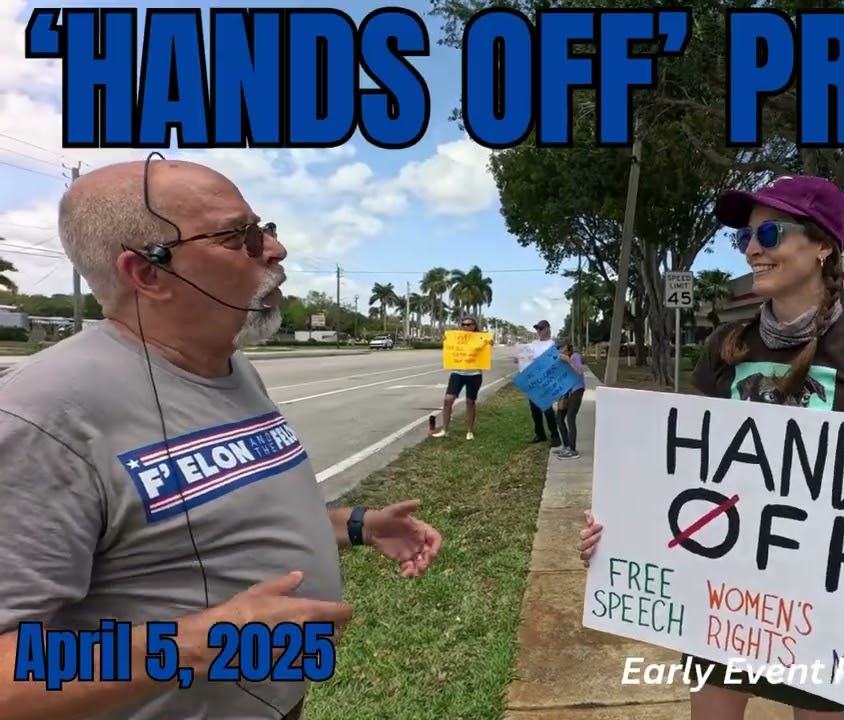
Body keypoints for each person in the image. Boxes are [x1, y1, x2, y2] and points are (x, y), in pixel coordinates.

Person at [0, 157, 444, 720]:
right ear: (148, 273)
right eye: (239, 237)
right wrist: (203, 643)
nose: (275, 249)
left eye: (265, 228)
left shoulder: (231, 366)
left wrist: (356, 524)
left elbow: (215, 516)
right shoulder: (45, 415)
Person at [577, 175, 844, 719]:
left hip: (832, 612)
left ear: (823, 245)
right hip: (725, 601)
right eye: (746, 238)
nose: (752, 249)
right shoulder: (723, 346)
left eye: (770, 233)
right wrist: (619, 533)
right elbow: (685, 474)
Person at [433, 316, 492, 440]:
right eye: (463, 324)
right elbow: (448, 349)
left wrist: (489, 343)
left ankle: (469, 431)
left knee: (470, 402)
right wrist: (446, 341)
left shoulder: (481, 338)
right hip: (457, 373)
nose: (465, 327)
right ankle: (445, 430)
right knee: (448, 400)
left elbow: (485, 350)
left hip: (474, 375)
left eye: (468, 324)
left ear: (474, 326)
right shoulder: (456, 338)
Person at [518, 319, 561, 447]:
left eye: (540, 328)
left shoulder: (553, 345)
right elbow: (525, 358)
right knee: (534, 409)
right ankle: (540, 434)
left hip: (546, 381)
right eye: (537, 329)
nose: (538, 331)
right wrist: (519, 359)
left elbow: (555, 362)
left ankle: (555, 436)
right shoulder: (533, 344)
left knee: (547, 409)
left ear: (547, 329)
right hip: (533, 381)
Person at [554, 341, 586, 460]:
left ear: (566, 348)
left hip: (577, 390)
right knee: (559, 418)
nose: (559, 351)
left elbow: (578, 371)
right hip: (566, 392)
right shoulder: (560, 361)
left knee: (570, 418)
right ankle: (566, 446)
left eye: (560, 348)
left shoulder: (574, 356)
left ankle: (572, 450)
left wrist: (567, 359)